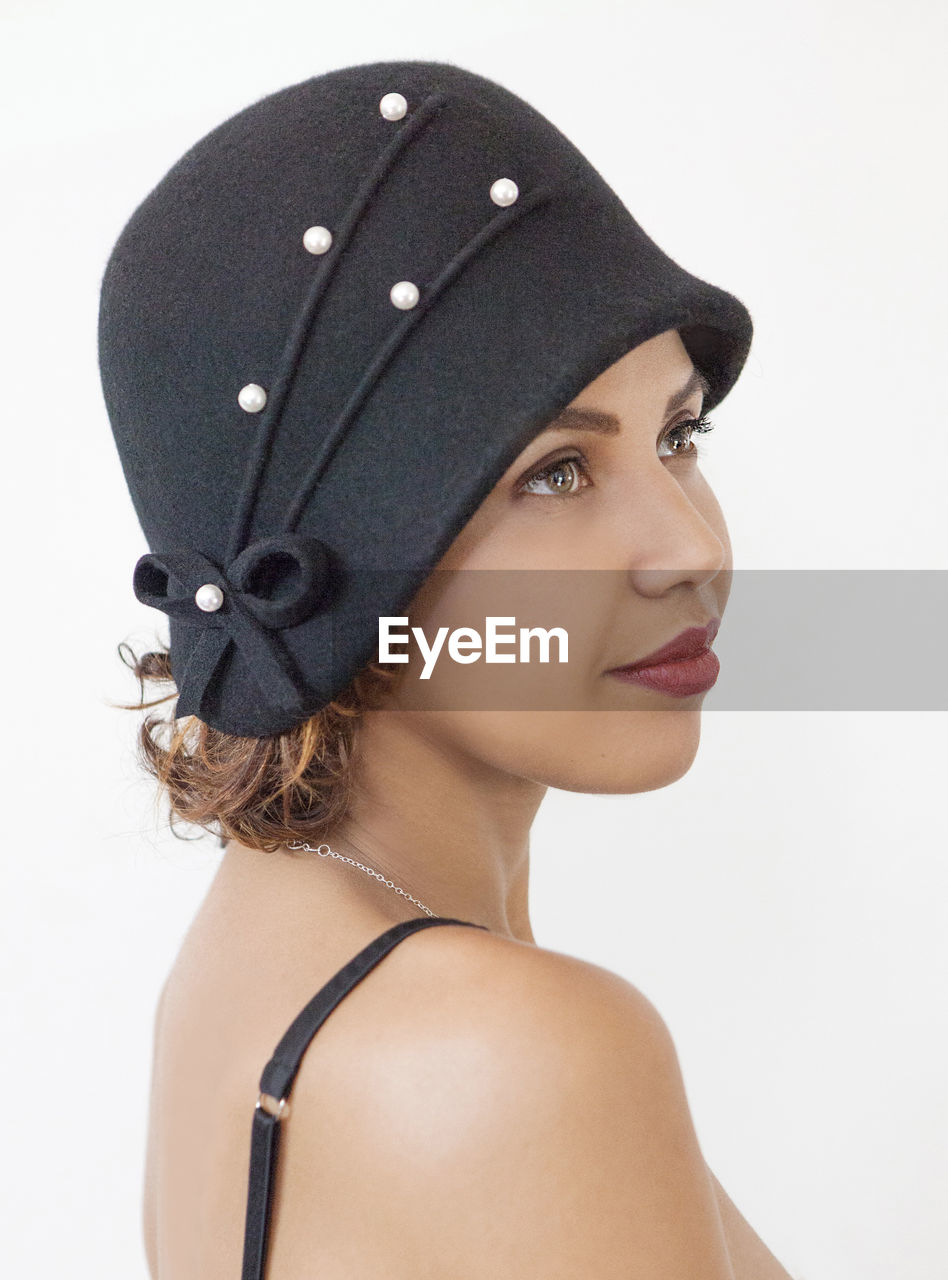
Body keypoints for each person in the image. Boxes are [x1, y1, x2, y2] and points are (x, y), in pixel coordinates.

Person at [102, 60, 794, 1279]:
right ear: (341, 564)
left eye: (680, 435)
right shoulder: (519, 1053)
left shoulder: (253, 956)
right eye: (557, 474)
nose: (689, 544)